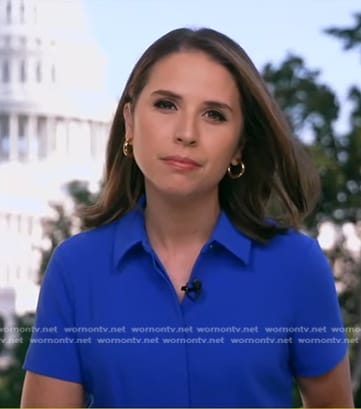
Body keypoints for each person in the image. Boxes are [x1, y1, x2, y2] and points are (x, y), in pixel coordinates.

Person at [21, 27, 354, 408]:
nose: (186, 133)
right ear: (129, 122)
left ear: (238, 147)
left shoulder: (297, 265)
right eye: (166, 105)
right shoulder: (75, 268)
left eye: (214, 115)